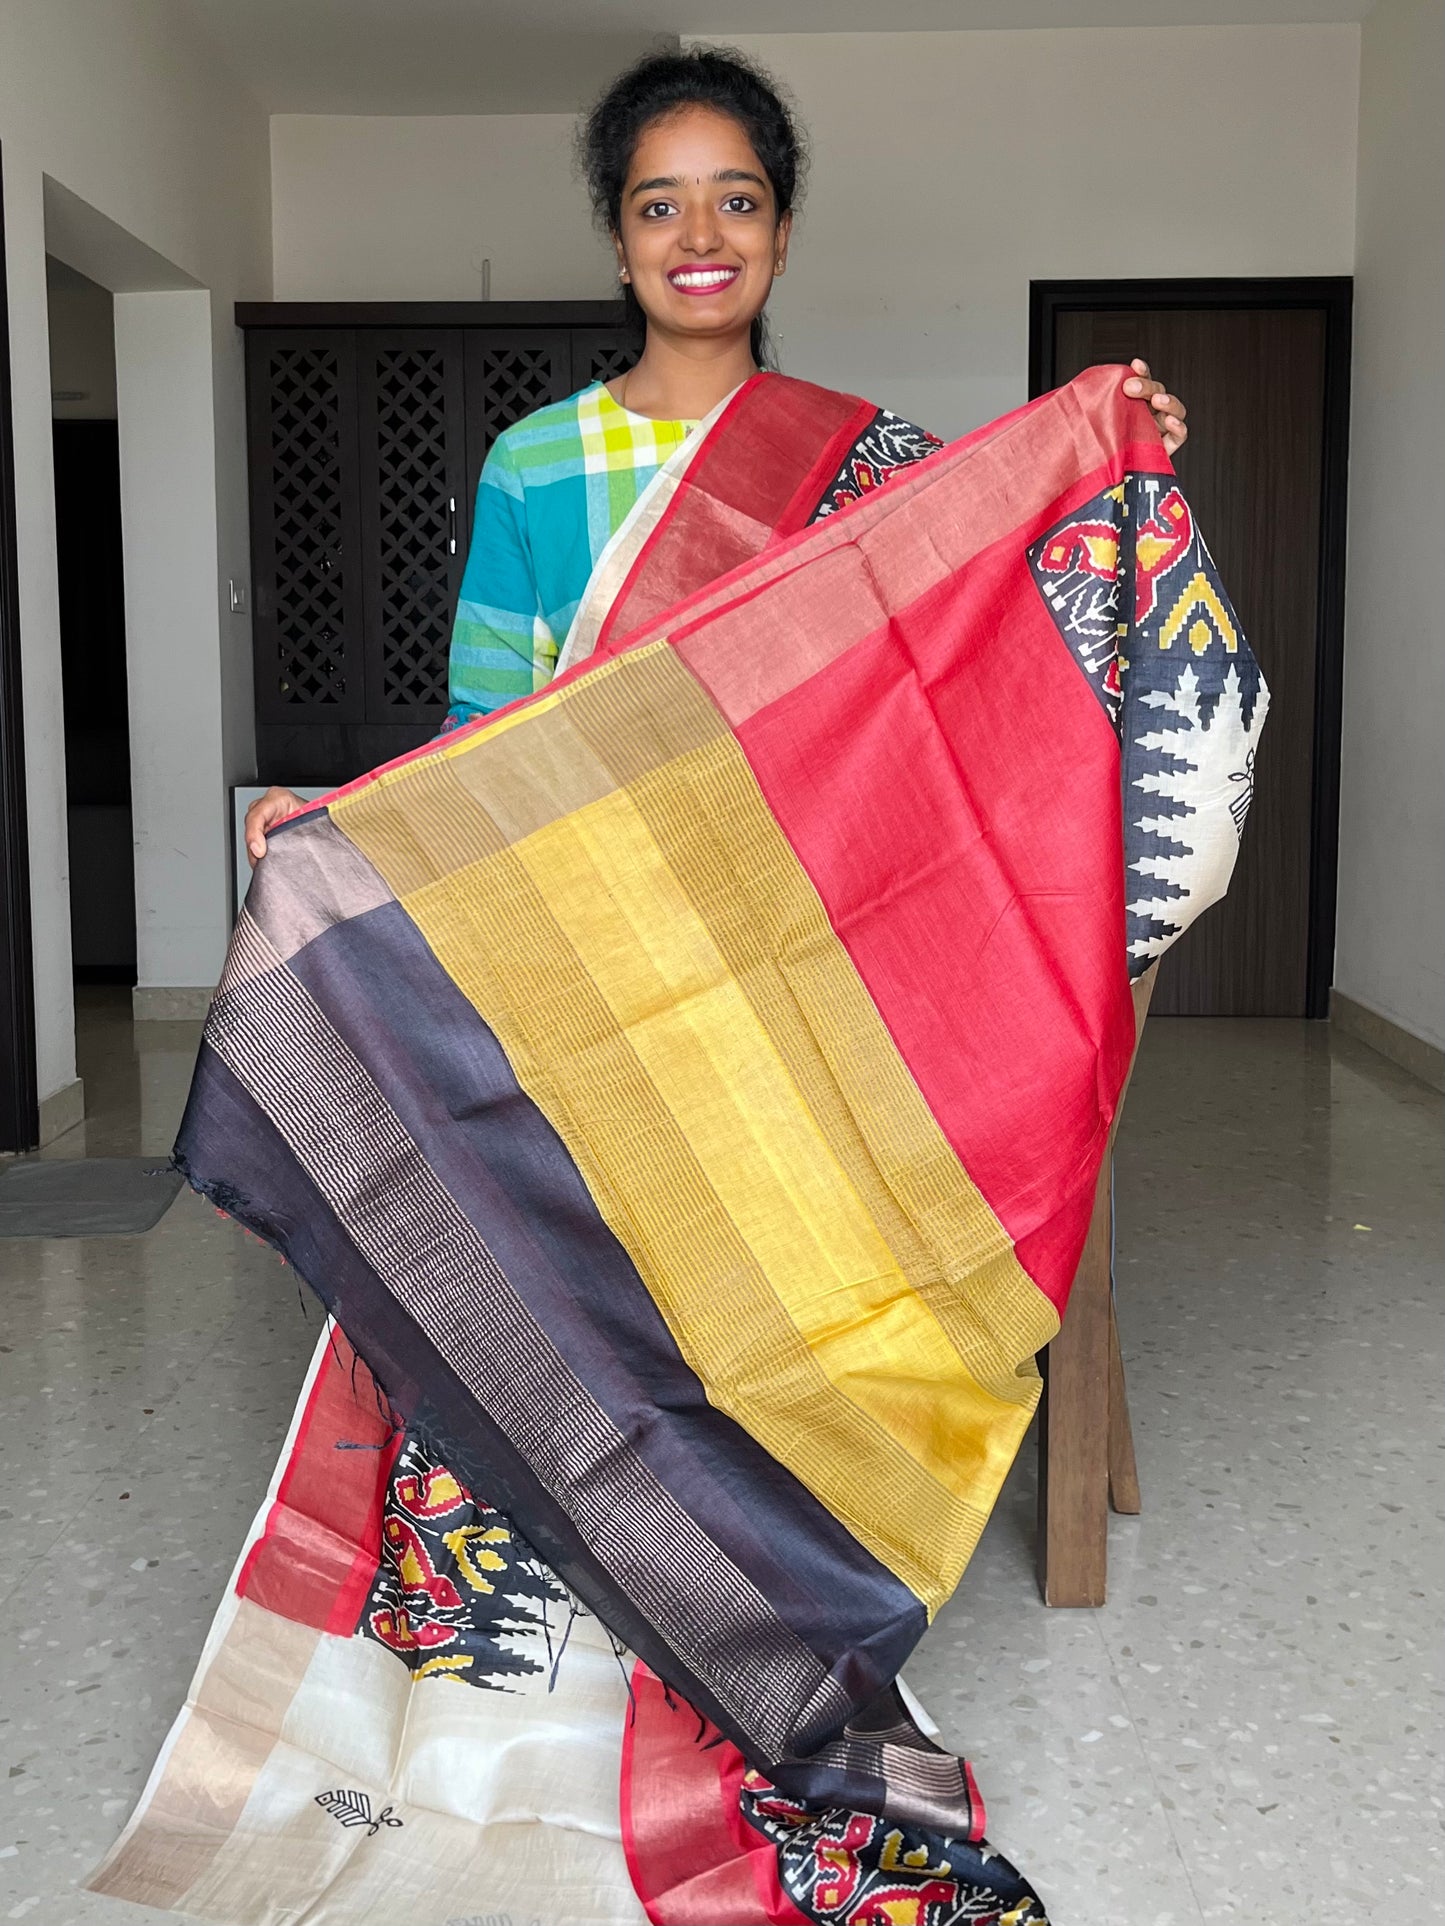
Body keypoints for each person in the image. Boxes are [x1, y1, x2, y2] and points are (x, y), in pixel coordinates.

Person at [244, 45, 1186, 860]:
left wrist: (1117, 469)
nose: (700, 236)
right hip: (608, 904)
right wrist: (335, 827)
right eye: (658, 209)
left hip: (818, 905)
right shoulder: (533, 462)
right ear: (619, 244)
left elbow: (1002, 624)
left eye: (737, 201)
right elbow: (485, 732)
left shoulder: (865, 458)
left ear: (780, 238)